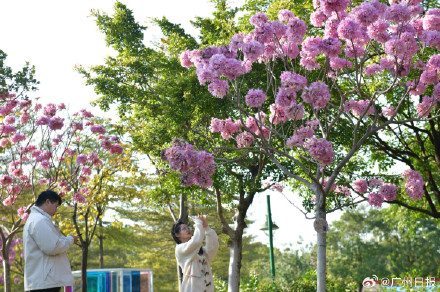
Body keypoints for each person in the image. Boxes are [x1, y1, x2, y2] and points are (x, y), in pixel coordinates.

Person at [23, 190, 79, 292]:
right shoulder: (40, 220)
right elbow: (53, 247)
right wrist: (70, 240)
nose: (56, 210)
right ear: (48, 202)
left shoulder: (36, 219)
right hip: (45, 282)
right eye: (56, 206)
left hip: (43, 280)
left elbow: (51, 242)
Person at [171, 214, 219, 292]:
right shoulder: (180, 249)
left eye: (188, 227)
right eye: (184, 229)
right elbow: (196, 241)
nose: (188, 229)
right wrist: (198, 222)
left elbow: (213, 246)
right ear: (177, 234)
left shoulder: (200, 251)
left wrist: (206, 227)